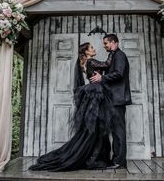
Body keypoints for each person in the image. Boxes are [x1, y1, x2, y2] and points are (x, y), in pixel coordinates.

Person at [29, 42, 116, 171]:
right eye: (91, 47)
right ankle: (92, 159)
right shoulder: (91, 61)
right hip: (96, 95)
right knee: (95, 129)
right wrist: (113, 52)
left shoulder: (86, 62)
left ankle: (95, 158)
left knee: (97, 129)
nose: (94, 49)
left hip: (97, 94)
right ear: (86, 52)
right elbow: (107, 64)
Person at [90, 34, 131, 169]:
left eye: (106, 43)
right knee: (115, 130)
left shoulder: (119, 55)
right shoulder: (113, 56)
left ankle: (120, 162)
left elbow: (119, 73)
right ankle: (116, 160)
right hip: (113, 99)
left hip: (118, 99)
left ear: (114, 42)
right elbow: (108, 67)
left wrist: (102, 78)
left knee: (118, 131)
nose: (104, 46)